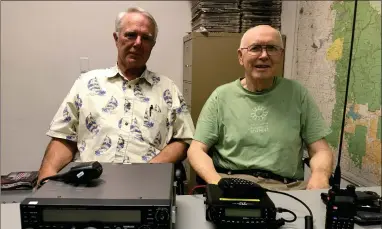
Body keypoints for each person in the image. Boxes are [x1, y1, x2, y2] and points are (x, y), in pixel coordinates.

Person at [37, 7, 195, 184]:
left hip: (146, 185)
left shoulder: (167, 89)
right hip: (89, 183)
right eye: (130, 35)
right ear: (116, 39)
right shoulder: (86, 84)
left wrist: (151, 168)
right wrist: (45, 180)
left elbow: (183, 140)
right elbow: (64, 138)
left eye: (146, 38)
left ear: (152, 45)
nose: (137, 43)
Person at [187, 25, 333, 191]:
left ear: (281, 55)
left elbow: (321, 150)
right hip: (232, 185)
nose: (264, 56)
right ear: (241, 56)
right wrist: (216, 182)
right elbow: (196, 149)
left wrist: (320, 175)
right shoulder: (221, 96)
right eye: (255, 48)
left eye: (272, 48)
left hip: (287, 188)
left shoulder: (298, 94)